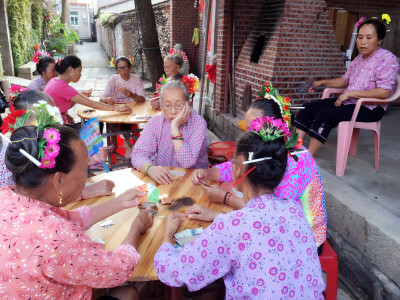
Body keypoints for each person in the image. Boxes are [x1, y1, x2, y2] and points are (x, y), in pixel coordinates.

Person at [154, 118, 325, 298]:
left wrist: (167, 235)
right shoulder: (294, 211)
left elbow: (175, 272)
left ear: (236, 172)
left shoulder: (231, 226)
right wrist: (218, 216)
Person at [0, 124, 153, 299]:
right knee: (129, 292)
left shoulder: (6, 197)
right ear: (59, 180)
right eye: (83, 169)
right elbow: (118, 269)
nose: (86, 175)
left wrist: (120, 202)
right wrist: (137, 227)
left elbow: (70, 218)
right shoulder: (58, 236)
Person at [191, 99, 327, 250]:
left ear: (273, 126)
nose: (250, 135)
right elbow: (235, 167)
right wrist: (207, 172)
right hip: (274, 226)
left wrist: (225, 199)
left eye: (254, 128)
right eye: (248, 129)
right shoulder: (265, 149)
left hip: (304, 238)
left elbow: (268, 215)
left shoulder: (297, 161)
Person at [294, 19, 399, 156]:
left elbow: (383, 92)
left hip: (370, 108)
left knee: (325, 115)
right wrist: (322, 83)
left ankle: (307, 158)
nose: (363, 42)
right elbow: (345, 80)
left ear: (379, 40)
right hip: (348, 102)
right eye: (360, 37)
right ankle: (294, 149)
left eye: (368, 37)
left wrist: (351, 94)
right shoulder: (358, 59)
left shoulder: (387, 59)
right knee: (308, 109)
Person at [0, 90, 113, 200]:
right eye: (46, 120)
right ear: (22, 124)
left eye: (55, 117)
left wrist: (89, 160)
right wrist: (88, 191)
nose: (55, 126)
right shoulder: (17, 154)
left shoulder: (47, 143)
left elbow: (57, 166)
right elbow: (41, 196)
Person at [131, 80, 208, 185]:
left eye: (179, 105)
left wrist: (174, 127)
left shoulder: (198, 123)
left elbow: (186, 162)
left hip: (193, 182)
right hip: (164, 181)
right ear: (161, 106)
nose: (173, 111)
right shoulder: (155, 123)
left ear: (188, 103)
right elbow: (137, 154)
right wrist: (150, 168)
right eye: (167, 105)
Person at [44, 55, 131, 125]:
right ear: (70, 69)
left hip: (54, 125)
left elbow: (62, 105)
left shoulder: (54, 81)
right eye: (79, 71)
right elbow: (93, 104)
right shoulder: (62, 86)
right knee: (97, 125)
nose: (80, 75)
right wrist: (118, 108)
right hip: (58, 130)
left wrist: (78, 98)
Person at [100, 56, 146, 156]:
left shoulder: (136, 79)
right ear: (117, 69)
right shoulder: (113, 80)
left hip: (132, 110)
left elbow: (142, 99)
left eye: (125, 67)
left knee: (127, 118)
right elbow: (102, 98)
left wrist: (131, 95)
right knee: (111, 118)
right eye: (120, 68)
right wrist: (107, 99)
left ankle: (127, 141)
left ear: (130, 67)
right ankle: (116, 143)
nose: (123, 71)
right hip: (117, 108)